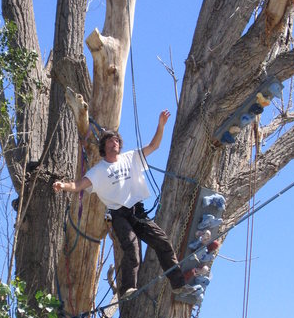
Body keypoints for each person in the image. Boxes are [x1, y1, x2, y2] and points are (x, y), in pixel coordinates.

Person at [53, 110, 193, 299]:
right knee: (132, 248)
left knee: (162, 242)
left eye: (117, 141)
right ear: (104, 146)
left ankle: (177, 284)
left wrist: (161, 125)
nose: (115, 143)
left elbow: (154, 145)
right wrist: (63, 185)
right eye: (111, 141)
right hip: (118, 215)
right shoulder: (99, 170)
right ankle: (127, 288)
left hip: (137, 211)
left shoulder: (131, 157)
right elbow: (78, 185)